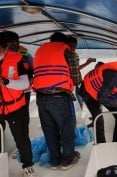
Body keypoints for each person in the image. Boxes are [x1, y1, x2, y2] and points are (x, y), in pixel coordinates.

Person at [32, 32, 80, 170]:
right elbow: (76, 79)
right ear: (64, 43)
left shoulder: (39, 51)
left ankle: (54, 161)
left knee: (49, 131)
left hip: (40, 98)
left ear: (51, 41)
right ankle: (67, 160)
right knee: (66, 129)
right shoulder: (68, 52)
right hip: (60, 97)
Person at [0, 31, 38, 176]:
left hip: (16, 107)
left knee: (21, 137)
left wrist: (7, 82)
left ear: (4, 47)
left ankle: (28, 167)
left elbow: (25, 83)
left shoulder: (18, 59)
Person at [67, 36, 95, 109]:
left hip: (76, 84)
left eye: (74, 46)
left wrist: (87, 63)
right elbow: (74, 69)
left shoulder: (74, 54)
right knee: (75, 106)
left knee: (79, 104)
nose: (73, 48)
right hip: (70, 85)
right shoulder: (67, 55)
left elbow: (76, 68)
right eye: (71, 46)